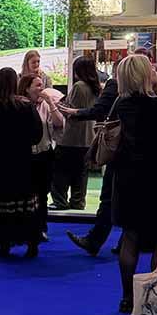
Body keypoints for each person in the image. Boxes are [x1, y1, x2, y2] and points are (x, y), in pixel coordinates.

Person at [103, 55, 157, 314]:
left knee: (130, 235)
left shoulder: (121, 103)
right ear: (143, 74)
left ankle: (127, 297)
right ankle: (153, 296)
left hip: (126, 176)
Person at [0, 67, 43, 257]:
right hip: (22, 164)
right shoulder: (26, 106)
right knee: (24, 204)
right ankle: (31, 245)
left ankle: (4, 244)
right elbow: (37, 136)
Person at [59, 62, 122, 257]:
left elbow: (97, 111)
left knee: (108, 197)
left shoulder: (112, 86)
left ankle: (95, 241)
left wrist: (75, 112)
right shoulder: (149, 96)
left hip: (83, 142)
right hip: (135, 154)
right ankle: (126, 241)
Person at [50, 56, 99, 211]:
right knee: (81, 174)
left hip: (71, 137)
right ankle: (78, 202)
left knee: (60, 172)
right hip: (88, 138)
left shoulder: (79, 86)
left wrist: (57, 104)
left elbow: (71, 112)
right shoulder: (96, 87)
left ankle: (60, 202)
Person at [18, 74, 64, 240]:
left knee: (42, 194)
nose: (41, 88)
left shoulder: (45, 104)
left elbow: (59, 123)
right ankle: (24, 227)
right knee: (25, 194)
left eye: (42, 85)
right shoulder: (19, 106)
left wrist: (51, 103)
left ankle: (40, 228)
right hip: (25, 156)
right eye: (37, 85)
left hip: (44, 154)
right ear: (27, 88)